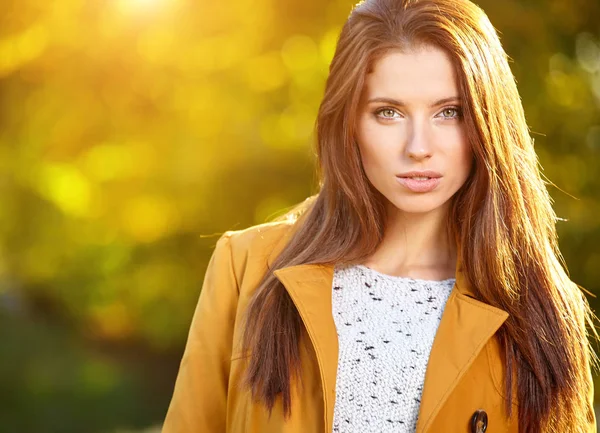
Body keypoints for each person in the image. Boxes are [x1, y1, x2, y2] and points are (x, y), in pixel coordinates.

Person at [161, 0, 598, 432]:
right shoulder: (246, 266)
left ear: (486, 122)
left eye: (449, 112)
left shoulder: (540, 309)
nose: (418, 146)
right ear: (348, 121)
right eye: (388, 113)